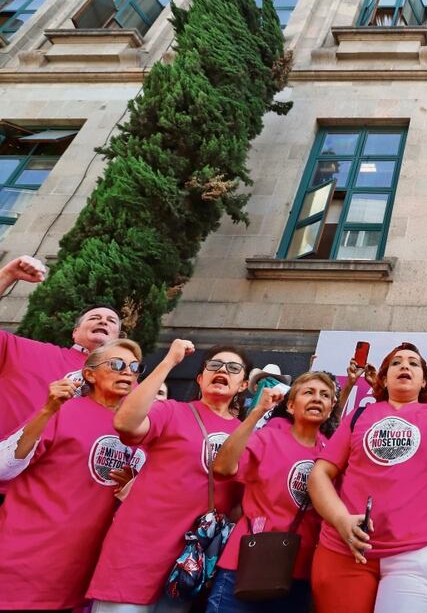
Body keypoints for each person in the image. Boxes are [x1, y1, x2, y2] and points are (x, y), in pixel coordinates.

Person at [308, 316, 427, 613]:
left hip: (414, 557)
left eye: (414, 363)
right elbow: (320, 473)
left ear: (424, 381)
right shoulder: (358, 417)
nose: (405, 366)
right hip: (344, 549)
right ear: (383, 379)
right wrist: (340, 519)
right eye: (396, 362)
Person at [88, 340, 252, 612]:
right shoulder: (173, 410)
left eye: (234, 368)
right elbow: (126, 424)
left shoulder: (246, 437)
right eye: (214, 365)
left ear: (243, 385)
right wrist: (169, 362)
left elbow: (238, 505)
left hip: (190, 561)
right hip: (139, 549)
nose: (222, 369)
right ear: (200, 379)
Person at [0, 339, 144, 610]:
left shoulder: (139, 432)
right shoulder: (61, 411)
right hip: (23, 560)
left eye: (135, 367)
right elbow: (4, 466)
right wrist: (46, 411)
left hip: (79, 574)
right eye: (116, 364)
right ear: (89, 374)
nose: (127, 371)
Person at [207, 372, 337, 613]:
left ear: (330, 410)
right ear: (290, 405)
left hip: (298, 574)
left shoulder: (331, 454)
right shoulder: (267, 438)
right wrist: (257, 411)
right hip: (246, 566)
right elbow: (223, 468)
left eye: (325, 395)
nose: (317, 398)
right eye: (308, 392)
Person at [0, 258, 121, 446]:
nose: (103, 321)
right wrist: (6, 276)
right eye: (95, 317)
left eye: (111, 321)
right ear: (75, 332)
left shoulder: (128, 384)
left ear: (119, 338)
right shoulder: (26, 351)